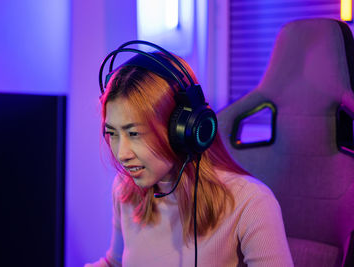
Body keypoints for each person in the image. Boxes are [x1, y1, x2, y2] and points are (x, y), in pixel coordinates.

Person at [86, 41, 293, 267]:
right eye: (112, 133)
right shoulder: (125, 191)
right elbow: (114, 262)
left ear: (183, 129)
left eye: (134, 133)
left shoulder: (250, 202)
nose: (121, 153)